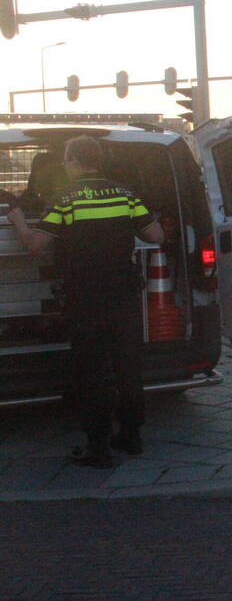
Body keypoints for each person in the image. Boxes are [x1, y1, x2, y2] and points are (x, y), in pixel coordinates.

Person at [7, 136, 164, 468]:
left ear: (76, 160)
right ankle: (132, 437)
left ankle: (98, 448)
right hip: (124, 293)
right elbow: (156, 236)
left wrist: (18, 220)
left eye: (66, 159)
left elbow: (35, 245)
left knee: (92, 371)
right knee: (127, 366)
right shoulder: (126, 194)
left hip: (86, 296)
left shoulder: (65, 200)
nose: (64, 164)